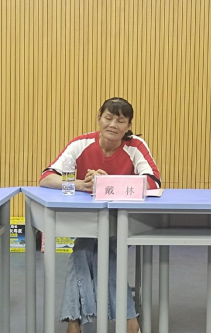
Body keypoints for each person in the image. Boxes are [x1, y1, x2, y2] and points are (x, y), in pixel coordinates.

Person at [40, 97, 161, 333]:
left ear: (128, 126)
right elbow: (47, 177)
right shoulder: (81, 143)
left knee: (96, 249)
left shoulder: (136, 146)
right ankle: (129, 320)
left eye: (121, 120)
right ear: (99, 118)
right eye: (108, 118)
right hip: (87, 221)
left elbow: (153, 181)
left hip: (123, 221)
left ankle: (75, 320)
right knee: (87, 247)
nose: (113, 124)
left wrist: (108, 183)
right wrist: (81, 184)